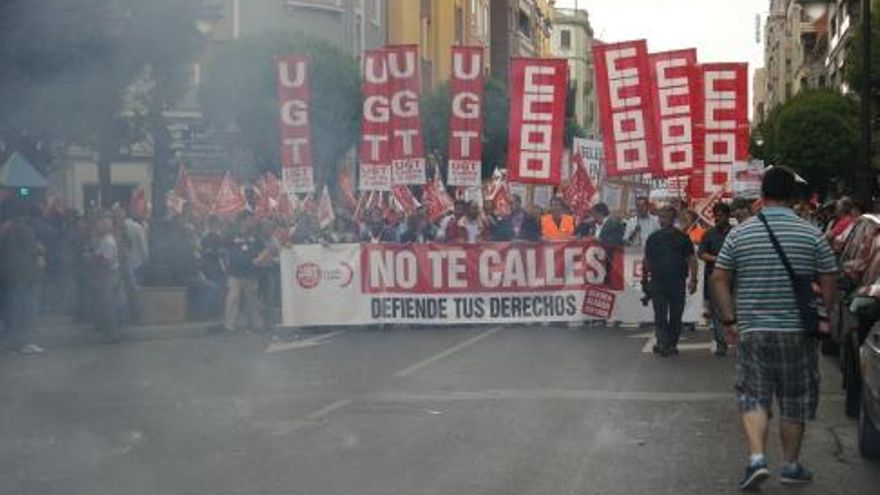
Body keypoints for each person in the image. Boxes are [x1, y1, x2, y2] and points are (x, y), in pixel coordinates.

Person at [711, 167, 838, 490]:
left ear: (761, 194)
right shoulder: (811, 234)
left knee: (753, 395)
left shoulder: (741, 234)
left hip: (753, 331)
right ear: (793, 196)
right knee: (794, 399)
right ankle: (791, 466)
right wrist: (825, 314)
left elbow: (719, 278)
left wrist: (729, 321)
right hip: (799, 332)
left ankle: (756, 459)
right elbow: (828, 282)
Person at [644, 206, 698, 357]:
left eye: (665, 217)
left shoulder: (682, 237)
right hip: (658, 282)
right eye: (660, 217)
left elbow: (692, 259)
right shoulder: (653, 238)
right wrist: (644, 280)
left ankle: (671, 344)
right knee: (660, 315)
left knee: (676, 315)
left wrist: (694, 280)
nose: (662, 220)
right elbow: (646, 260)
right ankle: (663, 343)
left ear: (673, 219)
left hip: (677, 282)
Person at [0, 218, 46, 355]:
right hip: (25, 279)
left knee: (13, 311)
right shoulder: (22, 231)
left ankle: (13, 342)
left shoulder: (6, 236)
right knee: (28, 310)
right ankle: (27, 342)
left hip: (11, 279)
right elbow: (34, 252)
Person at [698, 203, 734, 357]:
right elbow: (701, 254)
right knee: (717, 311)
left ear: (727, 216)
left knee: (735, 309)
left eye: (721, 215)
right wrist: (718, 259)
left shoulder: (736, 233)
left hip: (734, 276)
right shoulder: (709, 234)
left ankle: (738, 343)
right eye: (716, 215)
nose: (718, 218)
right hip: (714, 276)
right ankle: (721, 343)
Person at [222, 216, 266, 333]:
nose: (252, 222)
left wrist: (261, 258)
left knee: (252, 299)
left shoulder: (255, 237)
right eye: (250, 220)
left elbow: (264, 250)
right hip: (235, 272)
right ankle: (229, 324)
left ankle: (256, 323)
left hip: (250, 272)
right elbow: (225, 250)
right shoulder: (232, 235)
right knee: (233, 298)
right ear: (242, 221)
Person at [92, 217, 122, 342]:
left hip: (108, 275)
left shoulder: (107, 242)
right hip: (106, 274)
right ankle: (108, 332)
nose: (96, 228)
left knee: (108, 305)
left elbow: (107, 260)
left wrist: (93, 258)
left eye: (99, 226)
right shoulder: (104, 240)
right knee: (105, 304)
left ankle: (111, 334)